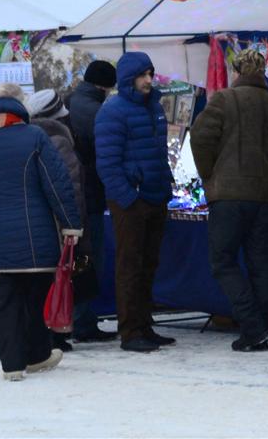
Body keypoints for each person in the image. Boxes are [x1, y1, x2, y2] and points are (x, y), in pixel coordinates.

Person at [0, 85, 82, 381]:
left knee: (4, 302)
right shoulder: (34, 137)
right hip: (34, 235)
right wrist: (70, 223)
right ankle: (37, 355)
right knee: (34, 298)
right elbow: (57, 184)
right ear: (19, 107)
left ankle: (12, 365)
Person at [190, 48, 268, 352]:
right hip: (263, 197)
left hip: (227, 198)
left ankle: (253, 326)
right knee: (261, 264)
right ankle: (262, 327)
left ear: (236, 71)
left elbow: (200, 138)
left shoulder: (223, 100)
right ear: (263, 72)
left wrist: (211, 175)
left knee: (223, 261)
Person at [95, 51, 174, 353]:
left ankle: (144, 324)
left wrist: (165, 185)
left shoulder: (153, 107)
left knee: (149, 264)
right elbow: (108, 164)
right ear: (129, 77)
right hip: (131, 200)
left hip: (155, 194)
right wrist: (128, 198)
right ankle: (130, 331)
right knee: (129, 266)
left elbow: (158, 152)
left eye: (151, 74)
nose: (149, 80)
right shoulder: (113, 111)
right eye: (143, 75)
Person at [26, 88, 87, 353]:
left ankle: (51, 331)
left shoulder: (30, 138)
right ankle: (56, 332)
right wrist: (73, 223)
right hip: (59, 220)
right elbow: (70, 186)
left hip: (41, 219)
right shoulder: (59, 141)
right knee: (60, 278)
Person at [66, 60, 118, 343]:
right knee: (88, 259)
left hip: (76, 195)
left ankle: (76, 320)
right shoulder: (96, 111)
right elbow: (104, 152)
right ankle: (83, 323)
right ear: (105, 85)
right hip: (88, 195)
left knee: (76, 260)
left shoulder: (72, 100)